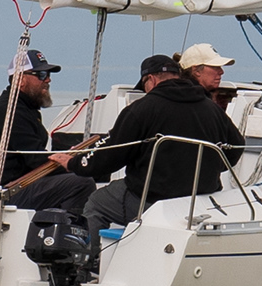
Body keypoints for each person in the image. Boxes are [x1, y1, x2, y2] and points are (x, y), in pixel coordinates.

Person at [76, 40, 241, 205]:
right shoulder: (211, 108)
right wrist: (208, 168)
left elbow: (112, 155)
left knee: (96, 204)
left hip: (154, 197)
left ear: (152, 80)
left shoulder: (142, 108)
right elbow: (236, 146)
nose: (221, 72)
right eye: (216, 67)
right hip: (202, 197)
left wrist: (75, 163)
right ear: (195, 71)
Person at [0, 52, 69, 204]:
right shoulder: (10, 110)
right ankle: (73, 227)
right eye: (41, 74)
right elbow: (36, 159)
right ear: (20, 80)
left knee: (72, 180)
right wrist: (74, 165)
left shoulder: (25, 108)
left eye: (47, 74)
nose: (48, 79)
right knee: (80, 183)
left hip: (18, 184)